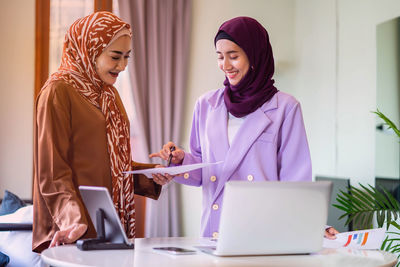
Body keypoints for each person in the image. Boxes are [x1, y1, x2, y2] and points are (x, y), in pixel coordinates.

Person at [150, 16, 338, 240]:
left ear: (255, 54)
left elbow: (296, 180)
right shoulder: (206, 105)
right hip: (215, 231)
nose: (226, 65)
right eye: (220, 57)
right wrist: (181, 161)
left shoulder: (286, 108)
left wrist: (313, 225)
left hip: (264, 230)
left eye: (234, 56)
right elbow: (206, 171)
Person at [33, 11, 162, 253]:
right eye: (115, 57)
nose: (122, 66)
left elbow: (113, 167)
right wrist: (73, 220)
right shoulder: (58, 92)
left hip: (110, 228)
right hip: (72, 231)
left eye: (126, 57)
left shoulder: (109, 95)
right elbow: (52, 173)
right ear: (89, 50)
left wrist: (154, 174)